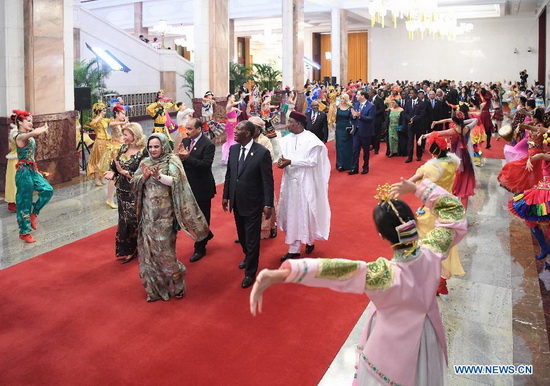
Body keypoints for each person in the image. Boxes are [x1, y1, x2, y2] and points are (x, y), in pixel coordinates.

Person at [250, 178, 467, 386]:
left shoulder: (384, 274)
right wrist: (417, 188)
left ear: (382, 236)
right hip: (428, 339)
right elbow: (453, 210)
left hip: (390, 349)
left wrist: (281, 273)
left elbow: (337, 270)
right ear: (414, 222)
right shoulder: (434, 250)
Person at [132, 133, 209, 302]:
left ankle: (177, 285)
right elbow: (134, 182)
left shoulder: (171, 161)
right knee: (150, 254)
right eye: (150, 147)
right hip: (148, 218)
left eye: (156, 146)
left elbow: (178, 182)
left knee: (165, 254)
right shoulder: (144, 163)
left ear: (164, 146)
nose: (153, 150)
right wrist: (143, 177)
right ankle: (155, 289)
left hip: (166, 218)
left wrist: (158, 177)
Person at [222, 121, 274, 289]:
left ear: (248, 134)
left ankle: (251, 272)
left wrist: (268, 204)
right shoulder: (234, 149)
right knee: (243, 236)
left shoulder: (262, 153)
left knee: (252, 239)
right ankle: (248, 256)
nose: (234, 132)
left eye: (238, 130)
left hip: (253, 202)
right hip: (237, 200)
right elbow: (230, 174)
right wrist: (225, 195)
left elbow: (267, 181)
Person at [411, 131, 463, 295]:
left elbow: (416, 180)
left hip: (432, 211)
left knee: (425, 244)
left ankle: (429, 279)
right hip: (447, 209)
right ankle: (439, 280)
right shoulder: (452, 163)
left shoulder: (431, 168)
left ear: (432, 150)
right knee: (443, 245)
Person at [277, 111, 330, 261]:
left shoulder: (312, 140)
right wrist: (282, 163)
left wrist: (291, 162)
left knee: (306, 212)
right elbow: (283, 157)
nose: (287, 124)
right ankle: (294, 248)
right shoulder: (286, 139)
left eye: (290, 122)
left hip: (305, 184)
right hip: (289, 183)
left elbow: (313, 162)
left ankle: (309, 239)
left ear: (298, 124)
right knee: (291, 214)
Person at [104, 122, 146, 263]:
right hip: (122, 190)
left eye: (126, 134)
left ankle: (141, 247)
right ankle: (128, 249)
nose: (123, 137)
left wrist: (124, 172)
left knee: (135, 219)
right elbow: (115, 165)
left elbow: (142, 174)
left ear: (135, 135)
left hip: (136, 191)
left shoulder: (144, 152)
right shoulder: (123, 148)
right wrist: (112, 172)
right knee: (124, 220)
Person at [177, 118, 216, 262]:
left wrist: (187, 158)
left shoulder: (208, 145)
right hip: (187, 186)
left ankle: (200, 248)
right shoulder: (186, 141)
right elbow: (181, 160)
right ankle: (206, 233)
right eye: (186, 128)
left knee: (202, 216)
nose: (186, 131)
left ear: (199, 129)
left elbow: (205, 165)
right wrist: (179, 158)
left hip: (202, 187)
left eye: (190, 129)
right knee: (189, 216)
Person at [12, 110, 53, 243]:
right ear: (19, 122)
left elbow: (32, 135)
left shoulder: (28, 136)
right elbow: (33, 133)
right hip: (23, 172)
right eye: (28, 121)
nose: (31, 123)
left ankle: (34, 214)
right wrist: (41, 129)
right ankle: (24, 232)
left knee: (48, 190)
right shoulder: (19, 137)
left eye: (32, 121)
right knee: (24, 202)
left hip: (32, 170)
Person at [249, 116, 278, 239]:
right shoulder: (244, 140)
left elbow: (269, 157)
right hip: (247, 178)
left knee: (267, 202)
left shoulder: (265, 140)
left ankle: (271, 226)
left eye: (252, 128)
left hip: (261, 177)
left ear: (259, 129)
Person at [101, 105, 127, 209]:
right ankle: (110, 200)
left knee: (122, 173)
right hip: (115, 150)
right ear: (116, 113)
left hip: (122, 148)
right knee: (113, 175)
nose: (124, 116)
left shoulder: (122, 123)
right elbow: (111, 124)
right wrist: (122, 123)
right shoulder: (113, 122)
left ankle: (116, 193)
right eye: (122, 113)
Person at [350, 89, 376, 175]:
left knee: (365, 151)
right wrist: (353, 116)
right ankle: (354, 167)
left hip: (366, 131)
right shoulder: (356, 104)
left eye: (357, 95)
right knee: (355, 150)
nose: (356, 96)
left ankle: (365, 167)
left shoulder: (371, 106)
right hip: (356, 131)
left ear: (363, 96)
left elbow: (371, 118)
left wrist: (360, 116)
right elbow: (352, 116)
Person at [86, 102, 110, 186]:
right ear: (99, 111)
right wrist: (98, 117)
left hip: (106, 141)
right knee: (98, 160)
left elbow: (112, 122)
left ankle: (102, 177)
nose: (105, 111)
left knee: (104, 160)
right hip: (99, 141)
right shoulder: (96, 120)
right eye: (103, 110)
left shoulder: (105, 120)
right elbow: (91, 124)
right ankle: (96, 178)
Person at [405, 88, 427, 163]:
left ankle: (419, 155)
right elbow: (406, 113)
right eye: (410, 93)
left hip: (419, 124)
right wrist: (409, 118)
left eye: (412, 93)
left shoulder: (421, 103)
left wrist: (414, 119)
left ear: (416, 94)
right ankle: (409, 156)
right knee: (410, 141)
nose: (411, 95)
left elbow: (423, 114)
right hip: (410, 125)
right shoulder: (408, 102)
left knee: (418, 140)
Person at [334, 93, 354, 171]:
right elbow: (335, 119)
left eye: (343, 98)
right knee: (339, 146)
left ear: (346, 99)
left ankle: (348, 164)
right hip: (339, 128)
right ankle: (340, 164)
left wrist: (352, 128)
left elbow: (353, 119)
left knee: (347, 146)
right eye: (341, 98)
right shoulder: (337, 108)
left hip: (347, 128)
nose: (342, 100)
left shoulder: (350, 108)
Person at [222, 93, 241, 164]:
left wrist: (238, 110)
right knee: (231, 140)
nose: (234, 99)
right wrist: (240, 101)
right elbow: (232, 105)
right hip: (230, 126)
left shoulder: (231, 107)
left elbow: (234, 108)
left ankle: (234, 155)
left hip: (234, 125)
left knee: (234, 139)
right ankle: (229, 156)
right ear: (229, 98)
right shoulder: (228, 106)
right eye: (233, 97)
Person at [4, 125, 18, 212]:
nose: (30, 123)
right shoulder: (15, 133)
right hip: (16, 160)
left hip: (20, 159)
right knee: (14, 181)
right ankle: (13, 202)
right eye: (28, 120)